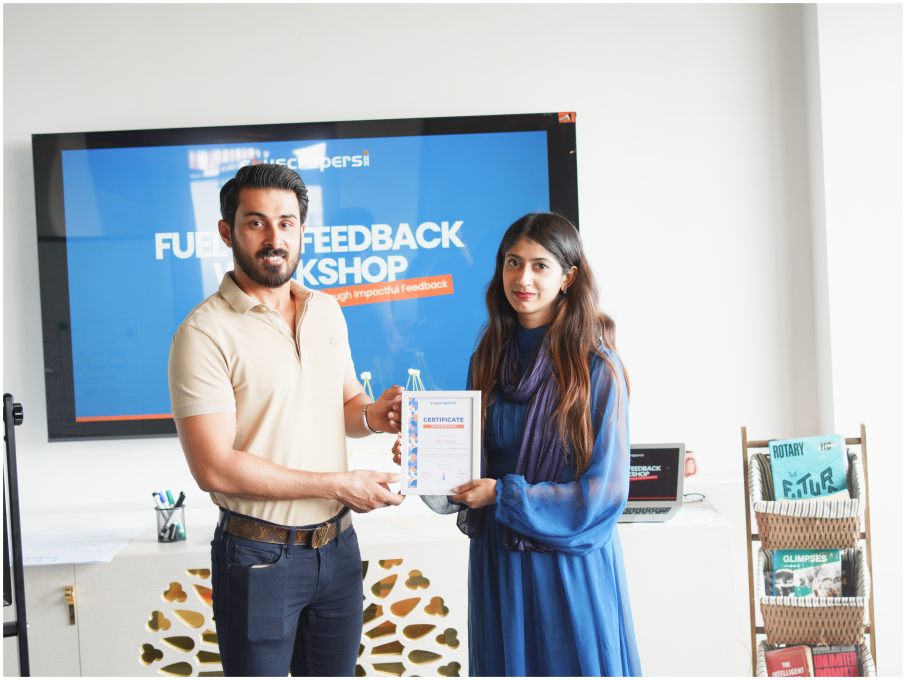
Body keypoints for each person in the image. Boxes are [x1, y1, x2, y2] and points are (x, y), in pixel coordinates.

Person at [168, 163, 404, 677]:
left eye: (286, 222)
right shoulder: (202, 334)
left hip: (338, 550)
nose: (274, 238)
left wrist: (377, 415)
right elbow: (214, 469)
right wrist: (338, 484)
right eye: (256, 223)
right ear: (227, 231)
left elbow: (347, 405)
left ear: (301, 230)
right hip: (258, 557)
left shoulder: (326, 309)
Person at [395, 212, 642, 676]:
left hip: (566, 564)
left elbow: (606, 493)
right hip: (499, 559)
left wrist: (504, 495)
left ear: (568, 277)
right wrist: (422, 455)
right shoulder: (487, 357)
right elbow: (471, 468)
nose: (522, 278)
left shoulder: (596, 367)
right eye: (513, 263)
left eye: (539, 265)